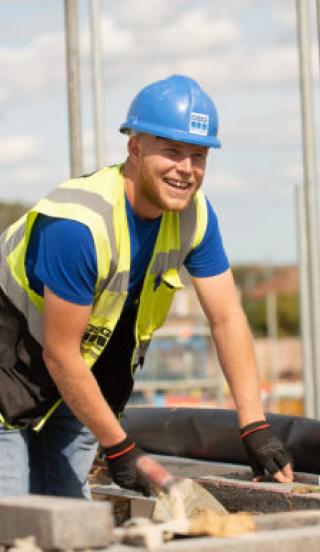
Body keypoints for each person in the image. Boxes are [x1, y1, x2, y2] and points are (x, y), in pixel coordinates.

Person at [0, 74, 293, 498]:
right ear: (134, 149)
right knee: (15, 524)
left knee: (71, 525)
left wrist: (255, 426)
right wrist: (120, 447)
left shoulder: (194, 216)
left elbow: (227, 318)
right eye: (172, 151)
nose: (186, 169)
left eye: (198, 155)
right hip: (11, 368)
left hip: (79, 383)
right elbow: (60, 352)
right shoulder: (79, 226)